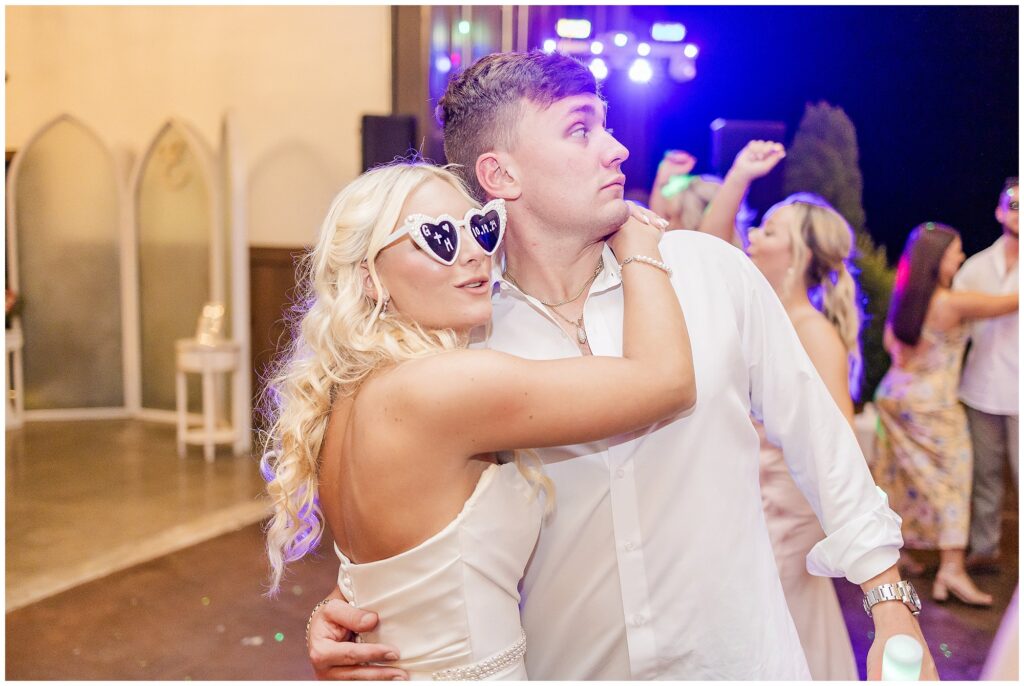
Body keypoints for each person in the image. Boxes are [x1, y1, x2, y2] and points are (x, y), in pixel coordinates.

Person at [308, 51, 937, 680]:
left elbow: (821, 442)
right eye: (580, 129)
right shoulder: (465, 339)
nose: (615, 149)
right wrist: (363, 609)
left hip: (739, 662)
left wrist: (890, 603)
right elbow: (422, 523)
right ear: (501, 175)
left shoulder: (708, 273)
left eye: (606, 126)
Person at [260, 161, 696, 680]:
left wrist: (329, 608)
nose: (473, 253)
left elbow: (407, 572)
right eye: (439, 237)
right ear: (368, 278)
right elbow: (666, 381)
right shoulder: (446, 385)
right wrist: (636, 242)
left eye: (481, 228)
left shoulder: (347, 396)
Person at [698, 140, 859, 679]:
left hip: (786, 512)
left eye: (769, 230)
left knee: (773, 626)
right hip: (755, 495)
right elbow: (708, 247)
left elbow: (839, 441)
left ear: (798, 257)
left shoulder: (815, 335)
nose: (755, 237)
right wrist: (739, 175)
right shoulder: (760, 312)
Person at [872, 222, 1018, 607]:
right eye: (955, 251)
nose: (961, 257)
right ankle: (952, 570)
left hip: (895, 395)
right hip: (933, 405)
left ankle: (895, 552)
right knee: (954, 483)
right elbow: (1012, 302)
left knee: (897, 477)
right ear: (938, 260)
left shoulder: (907, 297)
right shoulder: (950, 303)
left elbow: (893, 346)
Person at [956, 178, 1019, 573]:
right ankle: (984, 549)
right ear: (998, 212)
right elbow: (953, 318)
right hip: (981, 387)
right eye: (1013, 204)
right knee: (986, 476)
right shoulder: (976, 267)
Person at [647, 148, 754, 247]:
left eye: (675, 217)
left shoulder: (711, 248)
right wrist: (662, 178)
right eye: (669, 216)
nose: (667, 225)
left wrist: (739, 175)